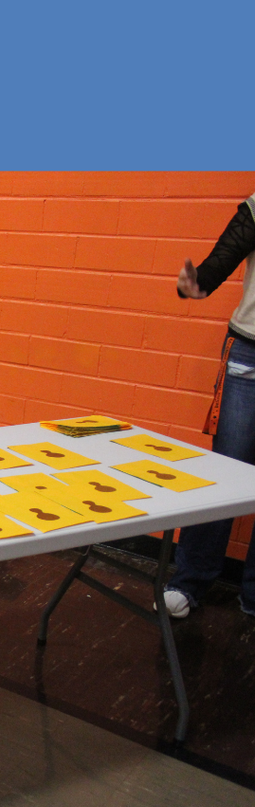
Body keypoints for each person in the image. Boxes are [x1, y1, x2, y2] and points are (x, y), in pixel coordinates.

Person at [166, 191, 255, 618]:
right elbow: (219, 263)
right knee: (227, 471)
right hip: (251, 354)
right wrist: (195, 284)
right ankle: (189, 581)